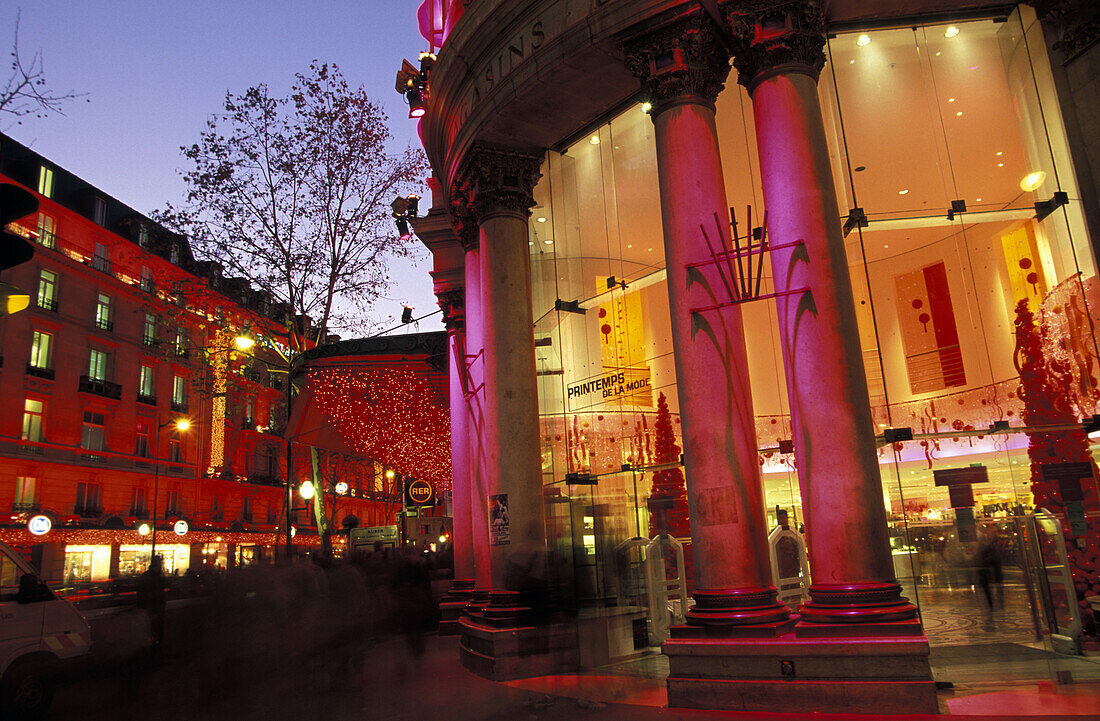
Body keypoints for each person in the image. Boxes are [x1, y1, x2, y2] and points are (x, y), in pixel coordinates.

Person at [136, 554, 168, 658]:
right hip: (153, 605)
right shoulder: (155, 577)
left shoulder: (147, 576)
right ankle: (155, 646)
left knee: (153, 627)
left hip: (152, 604)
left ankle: (154, 644)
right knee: (155, 626)